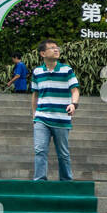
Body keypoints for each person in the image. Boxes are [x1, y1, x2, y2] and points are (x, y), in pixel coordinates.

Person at [30, 39, 79, 182]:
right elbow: (35, 94)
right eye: (52, 48)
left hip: (62, 119)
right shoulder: (37, 72)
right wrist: (34, 115)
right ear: (43, 53)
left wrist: (73, 104)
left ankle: (66, 181)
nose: (56, 50)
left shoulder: (66, 70)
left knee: (63, 153)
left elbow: (75, 90)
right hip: (41, 118)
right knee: (40, 150)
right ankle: (39, 181)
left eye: (57, 47)